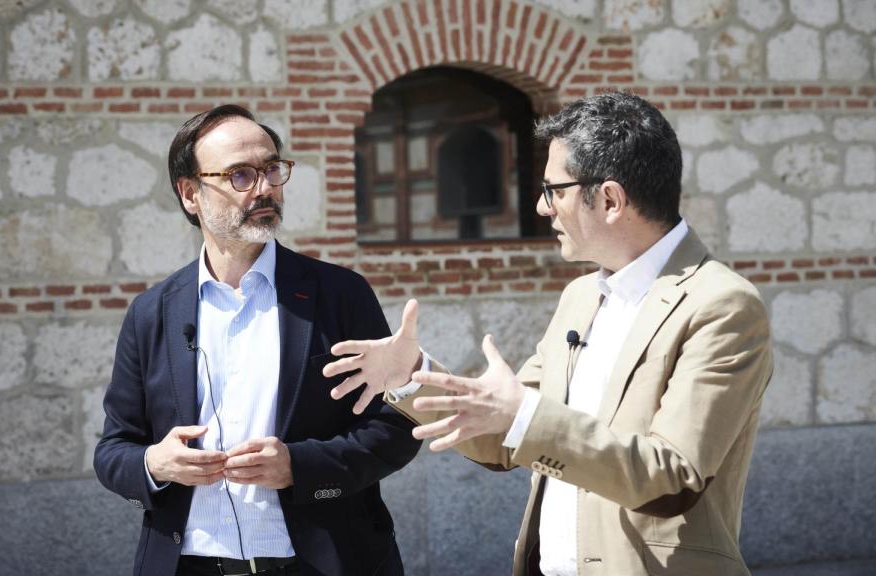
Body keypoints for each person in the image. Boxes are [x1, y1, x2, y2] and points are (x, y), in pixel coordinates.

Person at [323, 92, 773, 576]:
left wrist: (525, 414)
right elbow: (503, 435)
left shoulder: (722, 305)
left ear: (609, 199)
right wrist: (412, 377)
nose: (542, 207)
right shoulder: (580, 297)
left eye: (554, 189)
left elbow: (671, 477)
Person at [94, 104, 421, 576]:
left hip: (321, 563)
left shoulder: (339, 295)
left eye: (271, 168)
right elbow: (113, 449)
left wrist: (300, 466)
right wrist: (155, 463)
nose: (265, 187)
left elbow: (393, 428)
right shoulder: (152, 313)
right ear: (191, 194)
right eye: (240, 175)